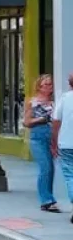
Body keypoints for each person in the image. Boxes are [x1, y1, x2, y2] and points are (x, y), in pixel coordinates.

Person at [24, 75, 58, 212]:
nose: (49, 87)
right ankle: (46, 199)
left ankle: (48, 200)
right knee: (45, 168)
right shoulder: (32, 102)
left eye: (50, 84)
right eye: (46, 84)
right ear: (39, 86)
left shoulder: (54, 103)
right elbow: (26, 122)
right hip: (37, 137)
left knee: (51, 168)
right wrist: (41, 119)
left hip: (50, 137)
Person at [49, 73, 73, 222]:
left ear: (69, 84)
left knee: (70, 175)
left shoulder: (64, 98)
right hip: (66, 143)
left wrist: (54, 142)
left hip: (66, 143)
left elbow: (56, 122)